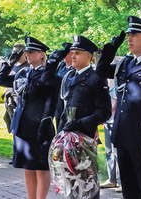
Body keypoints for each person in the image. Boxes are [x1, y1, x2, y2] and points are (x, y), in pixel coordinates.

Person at [96, 15, 141, 199]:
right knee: (128, 191)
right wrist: (112, 47)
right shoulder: (125, 64)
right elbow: (101, 70)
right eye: (128, 34)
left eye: (134, 34)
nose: (129, 38)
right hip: (122, 137)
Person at [42, 35, 112, 199]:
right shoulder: (68, 76)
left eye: (77, 53)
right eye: (71, 53)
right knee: (69, 184)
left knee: (87, 185)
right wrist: (53, 60)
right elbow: (46, 79)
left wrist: (79, 124)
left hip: (83, 139)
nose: (72, 56)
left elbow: (104, 112)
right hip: (65, 137)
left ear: (88, 56)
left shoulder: (95, 78)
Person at [0, 37, 59, 199]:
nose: (27, 55)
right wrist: (9, 63)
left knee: (41, 166)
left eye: (31, 52)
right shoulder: (23, 72)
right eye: (26, 52)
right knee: (28, 166)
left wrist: (46, 121)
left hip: (39, 126)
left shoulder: (48, 75)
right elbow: (1, 80)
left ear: (42, 54)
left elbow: (51, 101)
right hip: (22, 125)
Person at [2, 43, 30, 133]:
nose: (15, 54)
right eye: (14, 52)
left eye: (17, 52)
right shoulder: (12, 66)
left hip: (20, 102)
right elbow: (2, 80)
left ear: (24, 53)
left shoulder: (27, 67)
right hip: (10, 101)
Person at [100, 86, 122, 192]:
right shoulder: (109, 87)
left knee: (116, 152)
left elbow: (114, 106)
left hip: (114, 122)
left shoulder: (116, 87)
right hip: (108, 122)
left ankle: (120, 181)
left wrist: (107, 117)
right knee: (109, 151)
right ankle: (112, 179)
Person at [54, 42, 73, 131]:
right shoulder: (61, 66)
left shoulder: (75, 69)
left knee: (69, 130)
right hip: (58, 104)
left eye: (68, 53)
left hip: (70, 107)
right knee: (59, 130)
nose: (65, 56)